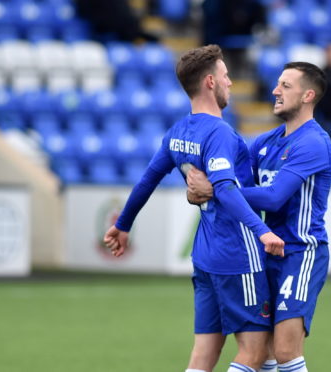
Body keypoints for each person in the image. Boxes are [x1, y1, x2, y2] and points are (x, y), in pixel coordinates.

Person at [103, 45, 285, 372]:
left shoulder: (178, 133)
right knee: (256, 353)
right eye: (226, 76)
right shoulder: (220, 133)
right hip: (237, 253)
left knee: (203, 356)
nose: (230, 83)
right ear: (210, 82)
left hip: (204, 255)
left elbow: (147, 180)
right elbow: (226, 189)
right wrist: (262, 231)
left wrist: (124, 224)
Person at [187, 62, 331, 372]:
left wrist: (214, 190)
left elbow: (273, 197)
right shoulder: (267, 142)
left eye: (285, 85)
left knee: (285, 350)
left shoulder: (313, 143)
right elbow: (230, 174)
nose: (275, 91)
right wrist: (196, 186)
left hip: (300, 251)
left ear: (308, 95)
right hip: (266, 251)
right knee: (263, 351)